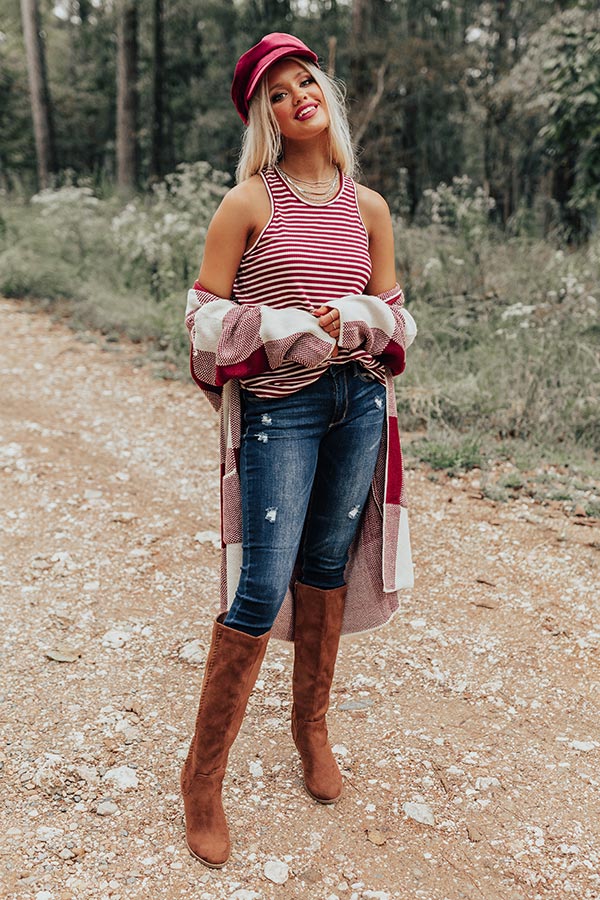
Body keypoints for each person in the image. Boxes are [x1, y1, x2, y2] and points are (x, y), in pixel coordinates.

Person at [181, 32, 417, 868]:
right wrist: (273, 327)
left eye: (303, 81)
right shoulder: (248, 202)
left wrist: (365, 318)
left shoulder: (370, 207)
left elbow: (397, 319)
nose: (295, 98)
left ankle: (311, 731)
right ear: (266, 117)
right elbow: (201, 321)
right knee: (262, 584)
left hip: (358, 401)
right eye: (275, 94)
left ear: (325, 92)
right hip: (284, 413)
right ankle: (202, 778)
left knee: (325, 566)